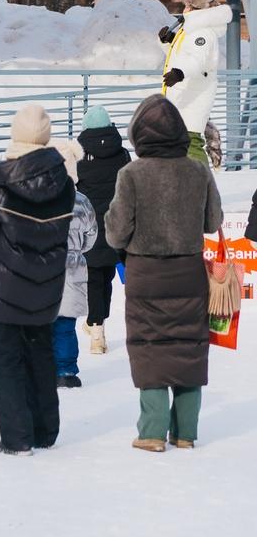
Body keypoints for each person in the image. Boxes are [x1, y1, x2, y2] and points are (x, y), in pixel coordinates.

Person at [105, 95, 222, 452]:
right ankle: (185, 432)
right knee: (189, 347)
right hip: (189, 272)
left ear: (139, 134)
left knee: (149, 347)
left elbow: (116, 233)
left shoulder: (132, 174)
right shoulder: (197, 170)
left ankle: (152, 431)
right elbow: (213, 221)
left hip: (146, 274)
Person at [0, 104, 76, 456]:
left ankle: (16, 438)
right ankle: (45, 431)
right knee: (41, 356)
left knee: (5, 361)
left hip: (2, 288)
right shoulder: (65, 184)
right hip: (45, 286)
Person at [76, 105, 130, 354]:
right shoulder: (122, 154)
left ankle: (96, 329)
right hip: (117, 223)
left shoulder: (78, 154)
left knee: (94, 278)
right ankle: (98, 325)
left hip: (89, 226)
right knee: (107, 276)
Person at [159, 0, 231, 164]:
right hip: (183, 95)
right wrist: (168, 41)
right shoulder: (189, 30)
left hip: (193, 97)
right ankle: (189, 185)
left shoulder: (204, 33)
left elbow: (199, 59)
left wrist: (180, 73)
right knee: (183, 144)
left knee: (191, 143)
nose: (185, 8)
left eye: (188, 5)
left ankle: (202, 184)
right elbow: (181, 54)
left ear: (197, 7)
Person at [51, 140, 98, 389]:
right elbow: (91, 235)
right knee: (66, 326)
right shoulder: (81, 201)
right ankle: (67, 371)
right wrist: (77, 251)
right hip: (72, 270)